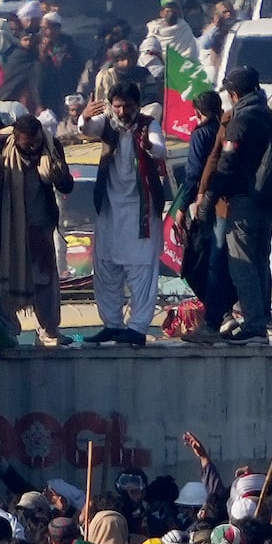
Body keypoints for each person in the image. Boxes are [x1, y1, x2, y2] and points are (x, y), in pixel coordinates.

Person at [187, 66, 272, 344]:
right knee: (259, 262)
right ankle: (257, 320)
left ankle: (254, 325)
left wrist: (206, 199)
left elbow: (224, 164)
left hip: (240, 204)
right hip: (268, 204)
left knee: (240, 264)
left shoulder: (239, 120)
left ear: (233, 94)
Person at [79, 84, 168, 347]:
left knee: (141, 269)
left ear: (137, 105)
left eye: (127, 106)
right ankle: (112, 325)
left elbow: (160, 148)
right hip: (109, 207)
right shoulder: (106, 122)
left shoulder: (148, 125)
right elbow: (86, 129)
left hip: (140, 208)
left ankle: (138, 327)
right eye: (117, 106)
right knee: (106, 267)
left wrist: (151, 149)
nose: (122, 111)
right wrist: (84, 115)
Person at [0, 115, 74, 346]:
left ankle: (49, 331)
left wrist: (59, 175)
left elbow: (67, 185)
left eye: (35, 142)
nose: (32, 148)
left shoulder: (52, 145)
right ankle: (9, 331)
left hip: (40, 226)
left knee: (45, 280)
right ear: (15, 138)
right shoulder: (0, 145)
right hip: (7, 227)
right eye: (26, 144)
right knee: (6, 279)